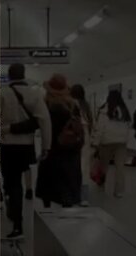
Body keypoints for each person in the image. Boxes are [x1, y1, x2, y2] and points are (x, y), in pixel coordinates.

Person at [1, 63, 52, 239]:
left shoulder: (3, 92)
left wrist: (6, 129)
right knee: (19, 182)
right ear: (24, 75)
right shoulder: (37, 93)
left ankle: (16, 220)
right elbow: (44, 121)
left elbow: (0, 125)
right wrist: (46, 147)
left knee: (11, 183)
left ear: (9, 75)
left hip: (8, 146)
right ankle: (17, 223)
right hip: (26, 145)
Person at [36, 74, 83, 208]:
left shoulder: (46, 105)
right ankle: (67, 206)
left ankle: (47, 208)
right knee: (68, 180)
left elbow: (42, 126)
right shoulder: (73, 105)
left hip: (52, 149)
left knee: (48, 181)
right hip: (70, 148)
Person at [92, 90, 132, 198]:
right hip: (121, 143)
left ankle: (101, 186)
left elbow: (99, 128)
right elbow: (129, 127)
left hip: (107, 142)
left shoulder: (104, 110)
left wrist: (95, 143)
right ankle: (119, 192)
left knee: (104, 166)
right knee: (120, 168)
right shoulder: (124, 110)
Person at [71, 84, 94, 206]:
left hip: (71, 137)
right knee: (84, 167)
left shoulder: (68, 104)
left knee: (71, 165)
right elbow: (91, 124)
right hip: (85, 136)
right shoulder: (86, 106)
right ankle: (84, 197)